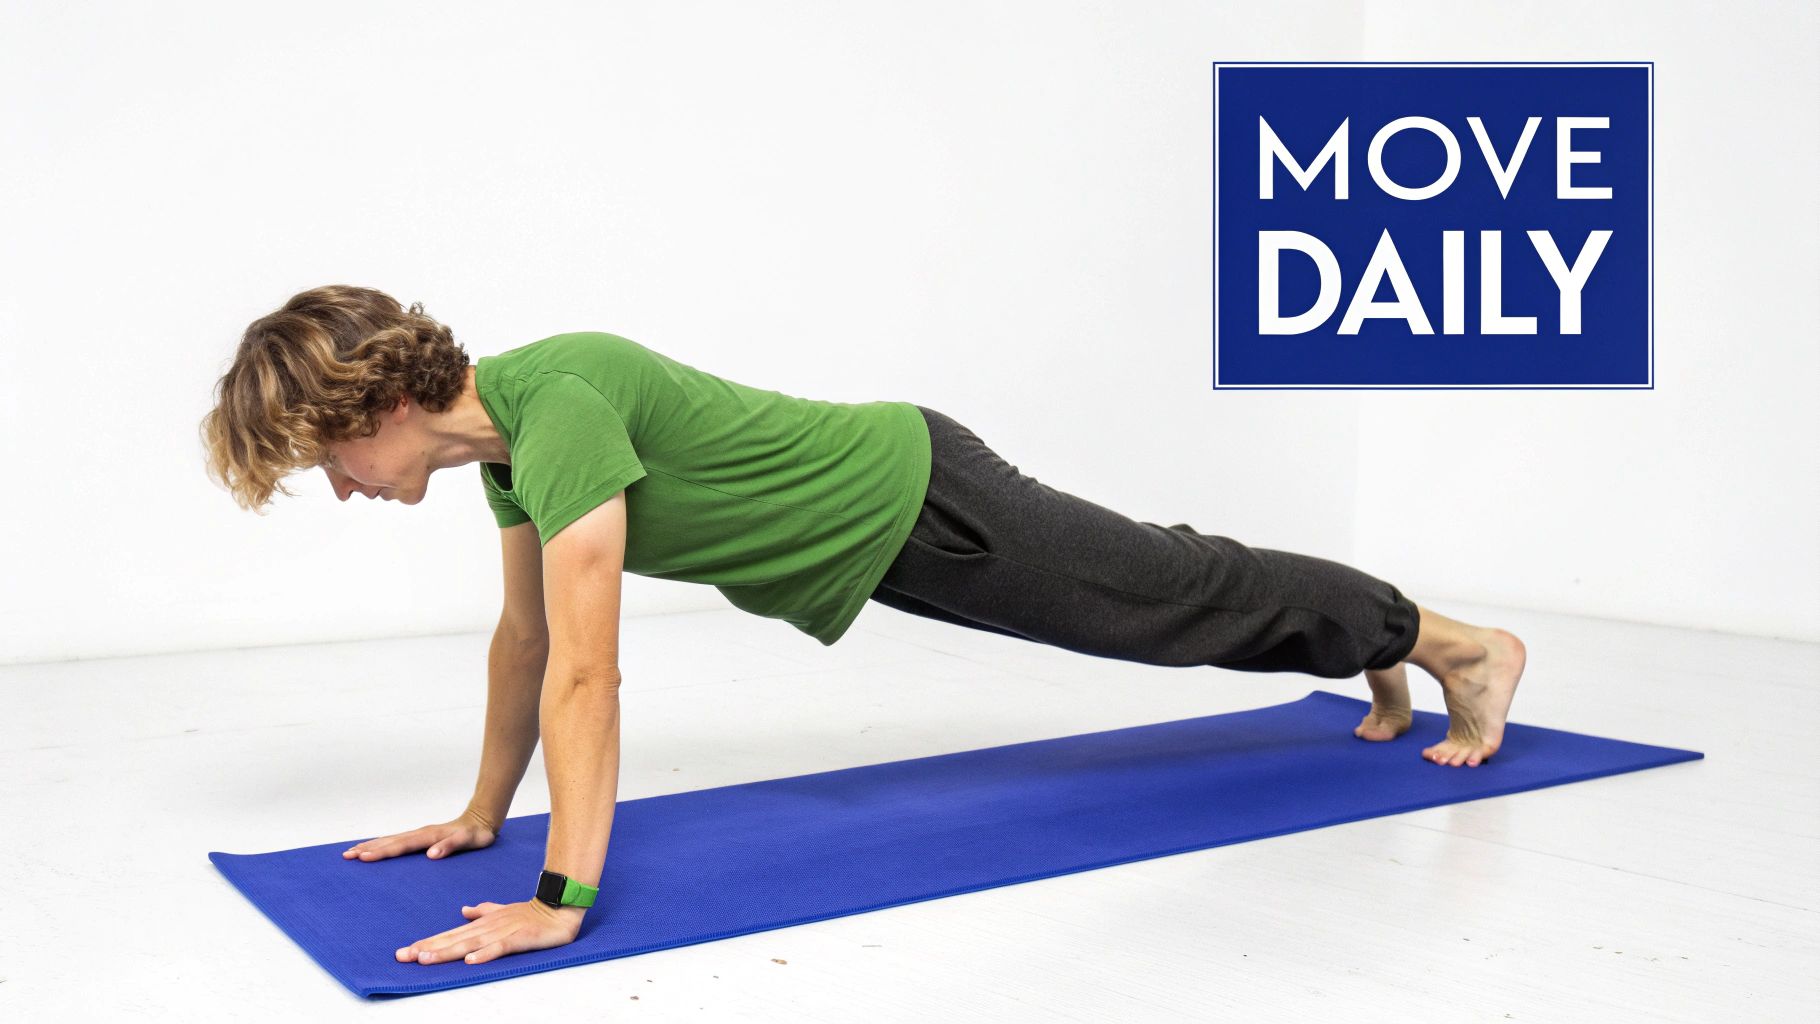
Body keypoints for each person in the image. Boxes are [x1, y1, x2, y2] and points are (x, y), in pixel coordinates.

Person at [200, 284, 1526, 967]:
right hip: (880, 543)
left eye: (328, 458)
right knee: (1167, 596)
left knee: (1164, 597)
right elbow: (526, 644)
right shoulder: (510, 454)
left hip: (922, 497)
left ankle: (1453, 645)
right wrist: (483, 815)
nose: (340, 488)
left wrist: (561, 899)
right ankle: (1381, 640)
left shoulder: (563, 409)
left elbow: (590, 677)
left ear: (379, 407)